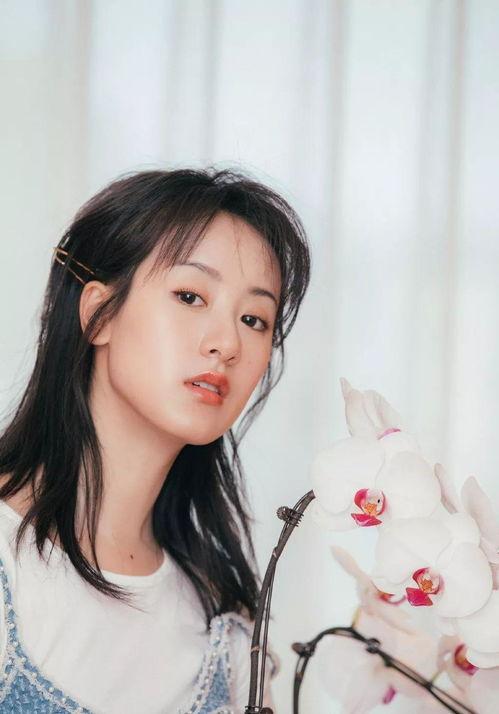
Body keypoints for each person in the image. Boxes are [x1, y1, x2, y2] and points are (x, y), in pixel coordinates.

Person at [0, 167, 311, 713]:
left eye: (254, 319)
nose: (227, 344)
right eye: (190, 295)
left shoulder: (225, 626)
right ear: (98, 314)